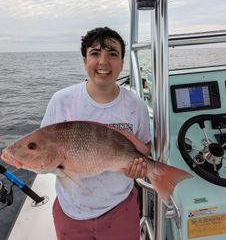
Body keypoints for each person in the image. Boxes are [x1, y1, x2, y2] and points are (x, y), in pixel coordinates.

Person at [41, 27, 151, 240]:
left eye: (112, 54)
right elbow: (44, 147)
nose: (103, 61)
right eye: (95, 53)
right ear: (84, 61)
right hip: (71, 211)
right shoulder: (61, 100)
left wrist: (140, 168)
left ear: (121, 63)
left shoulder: (136, 106)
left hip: (120, 208)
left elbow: (144, 149)